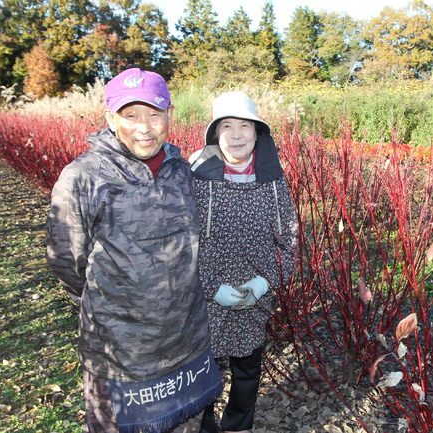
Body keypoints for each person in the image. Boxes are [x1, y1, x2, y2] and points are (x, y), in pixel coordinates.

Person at [46, 68, 223, 433]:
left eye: (154, 114)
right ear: (111, 118)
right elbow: (67, 262)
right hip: (121, 354)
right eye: (130, 115)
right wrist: (118, 302)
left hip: (186, 343)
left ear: (170, 115)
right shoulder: (83, 177)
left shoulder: (181, 171)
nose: (144, 127)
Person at [189, 92, 297, 433]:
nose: (236, 135)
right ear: (215, 134)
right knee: (201, 373)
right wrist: (211, 287)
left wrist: (265, 282)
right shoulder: (196, 179)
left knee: (248, 370)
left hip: (254, 297)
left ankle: (238, 426)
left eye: (244, 126)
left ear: (257, 132)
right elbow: (180, 245)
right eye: (227, 126)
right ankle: (204, 427)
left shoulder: (274, 180)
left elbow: (291, 240)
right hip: (206, 297)